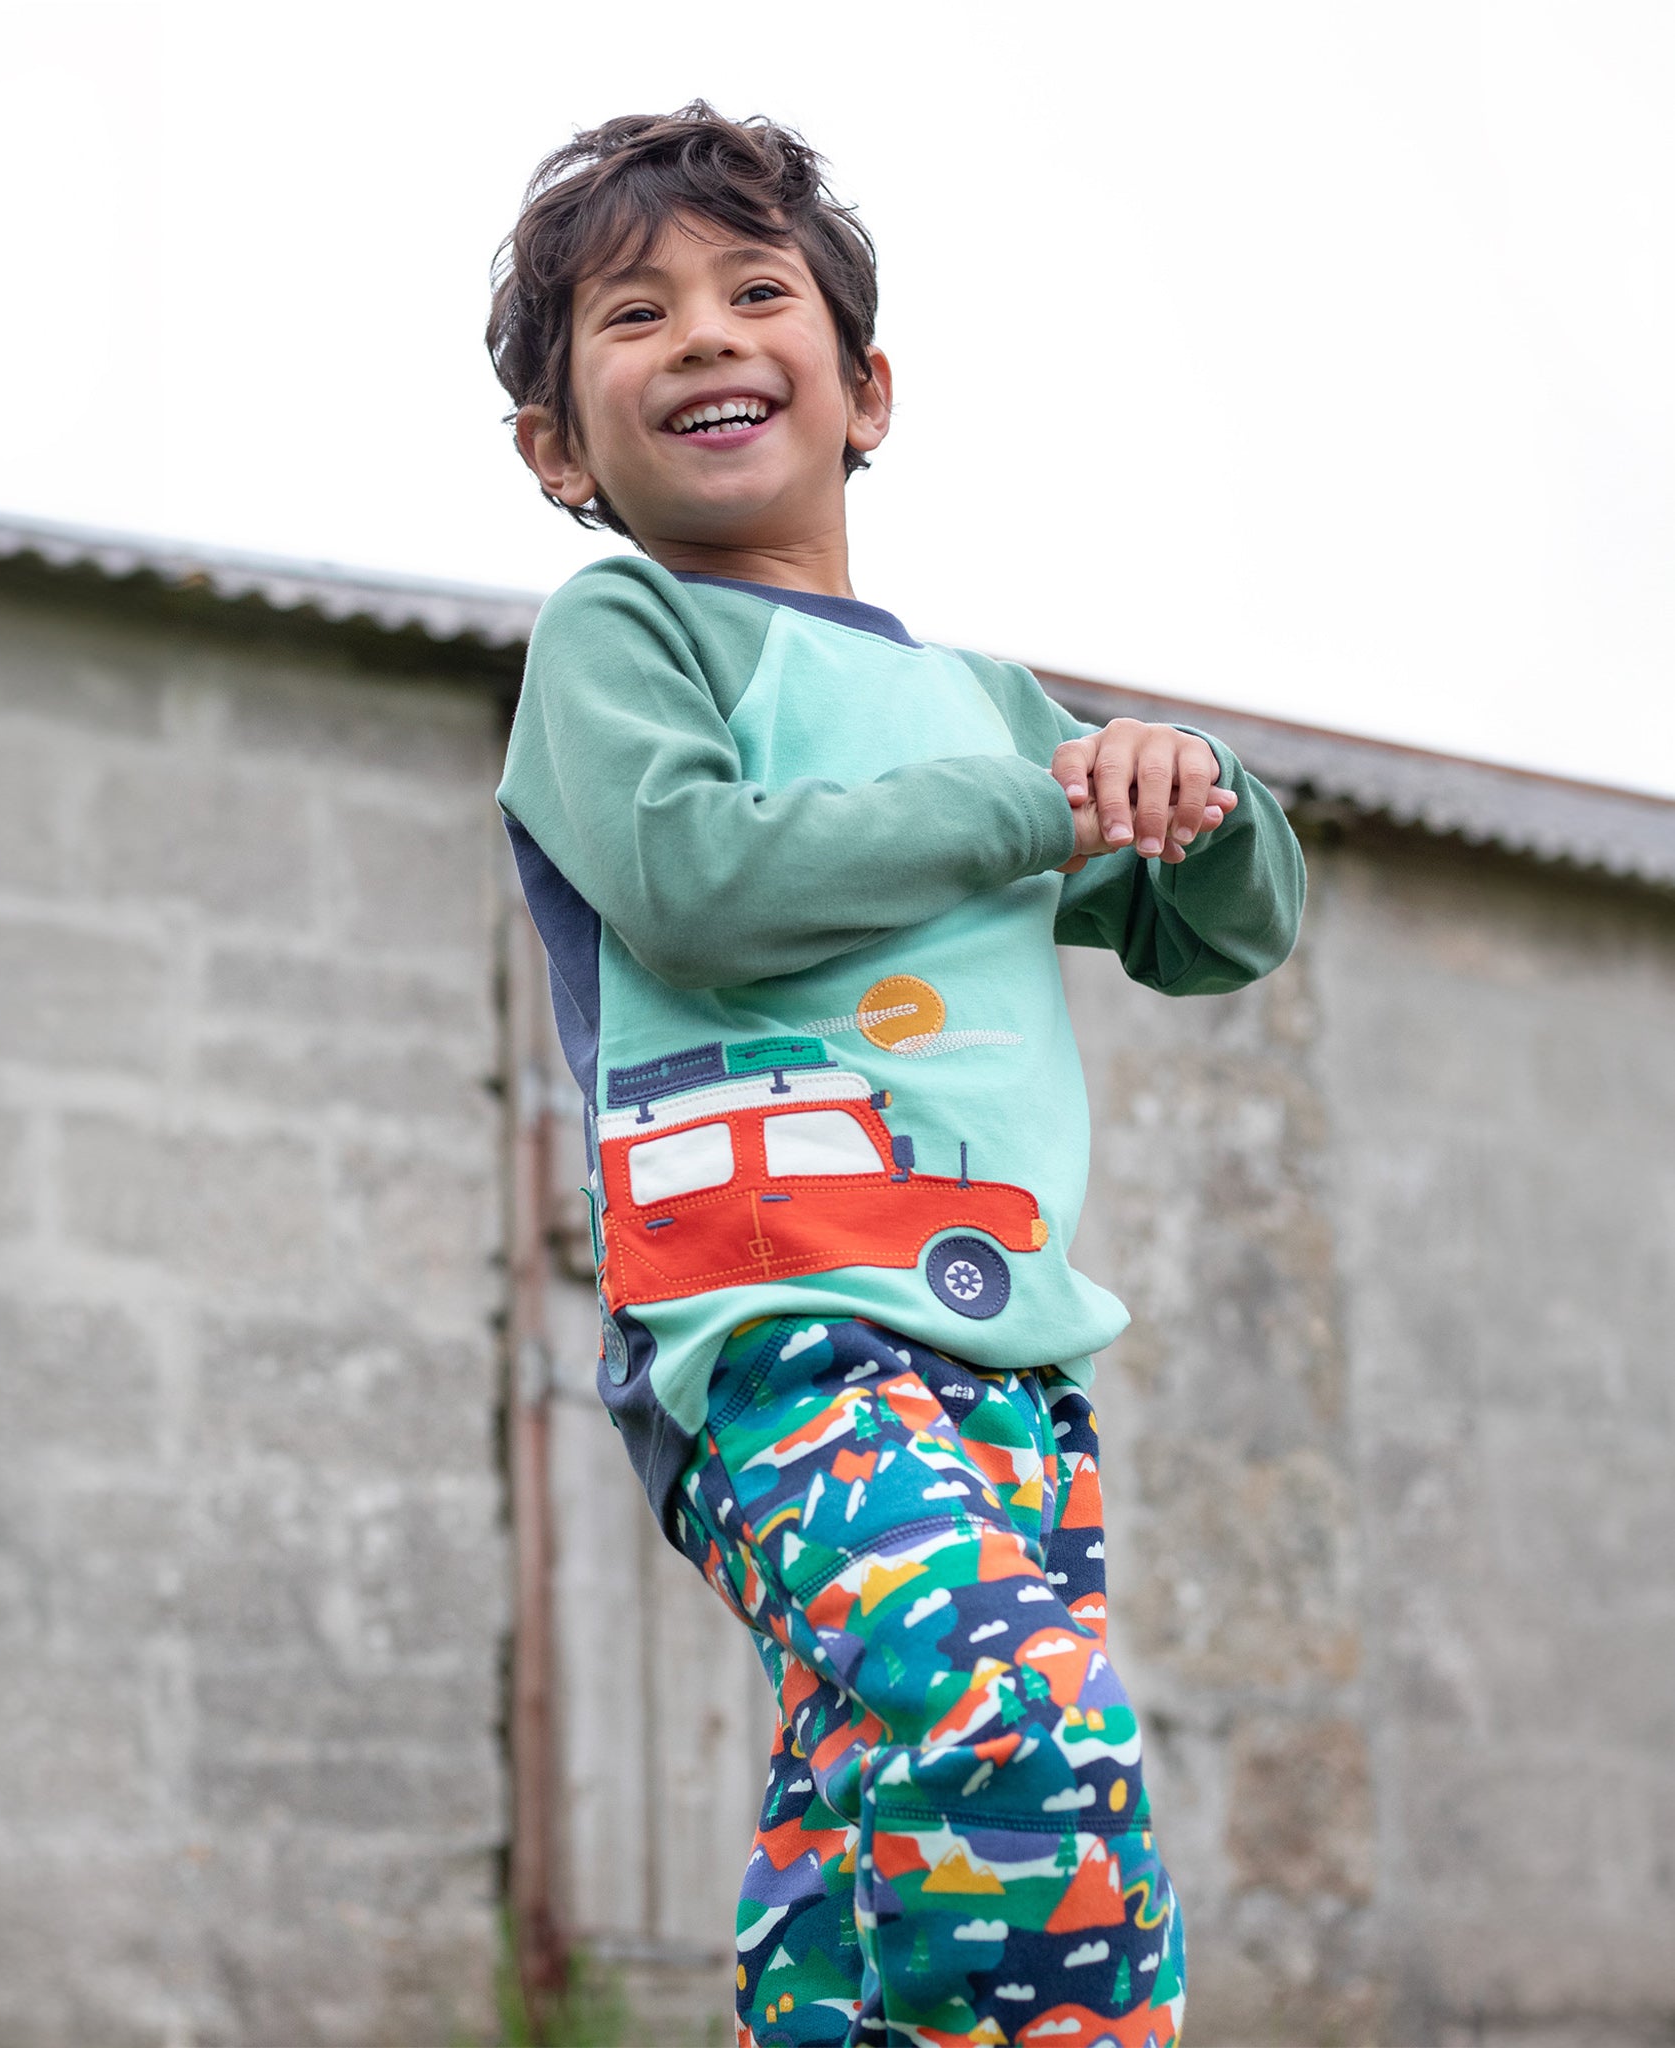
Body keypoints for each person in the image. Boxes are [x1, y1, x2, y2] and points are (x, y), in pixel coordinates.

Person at [487, 101, 1304, 2048]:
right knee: (1011, 1738)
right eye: (635, 315)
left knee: (884, 1818)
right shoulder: (628, 631)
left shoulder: (981, 704)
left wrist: (1198, 792)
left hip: (1010, 1351)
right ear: (554, 446)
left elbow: (1222, 926)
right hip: (774, 1320)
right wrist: (1024, 800)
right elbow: (695, 883)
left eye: (753, 293)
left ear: (861, 389)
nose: (700, 335)